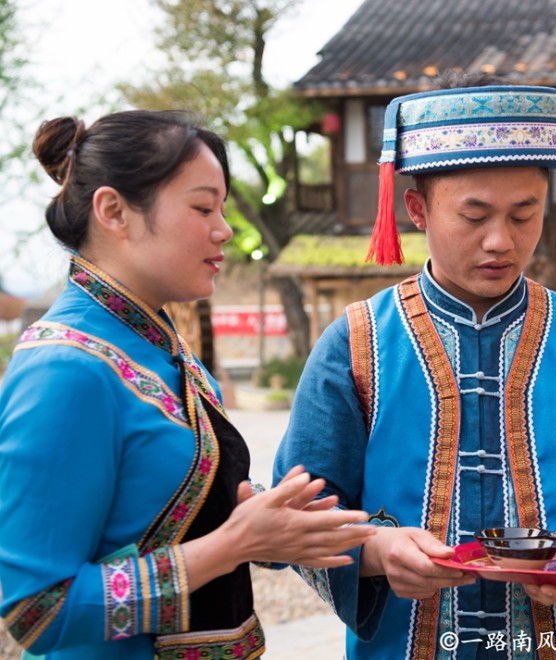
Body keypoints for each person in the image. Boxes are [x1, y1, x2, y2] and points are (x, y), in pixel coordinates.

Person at [272, 74, 556, 659]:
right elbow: (295, 518)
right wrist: (374, 554)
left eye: (524, 214)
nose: (501, 240)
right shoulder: (355, 344)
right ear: (417, 208)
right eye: (474, 216)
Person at [0, 110, 375, 660]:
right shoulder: (66, 370)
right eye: (203, 207)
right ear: (114, 211)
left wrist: (366, 541)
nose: (223, 228)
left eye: (221, 208)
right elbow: (38, 611)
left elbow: (204, 516)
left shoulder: (162, 350)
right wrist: (234, 544)